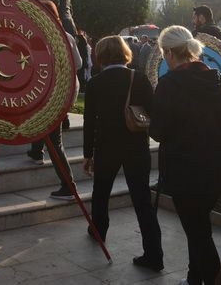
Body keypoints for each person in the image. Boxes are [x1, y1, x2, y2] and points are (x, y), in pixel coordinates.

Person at [150, 25, 221, 285]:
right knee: (199, 225)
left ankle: (212, 278)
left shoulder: (169, 84)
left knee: (197, 232)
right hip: (215, 165)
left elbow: (159, 132)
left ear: (170, 53)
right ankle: (194, 276)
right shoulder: (216, 77)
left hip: (184, 169)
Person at [83, 35, 163, 269]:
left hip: (107, 146)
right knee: (142, 200)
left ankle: (99, 231)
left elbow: (89, 121)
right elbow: (152, 111)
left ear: (101, 55)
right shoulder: (139, 78)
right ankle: (154, 253)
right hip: (136, 145)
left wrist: (88, 153)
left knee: (101, 193)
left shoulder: (96, 83)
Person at [26, 0, 80, 199]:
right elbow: (78, 64)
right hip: (59, 93)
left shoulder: (36, 38)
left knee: (55, 142)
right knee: (46, 133)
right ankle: (36, 151)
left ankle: (68, 185)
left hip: (50, 96)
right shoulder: (65, 36)